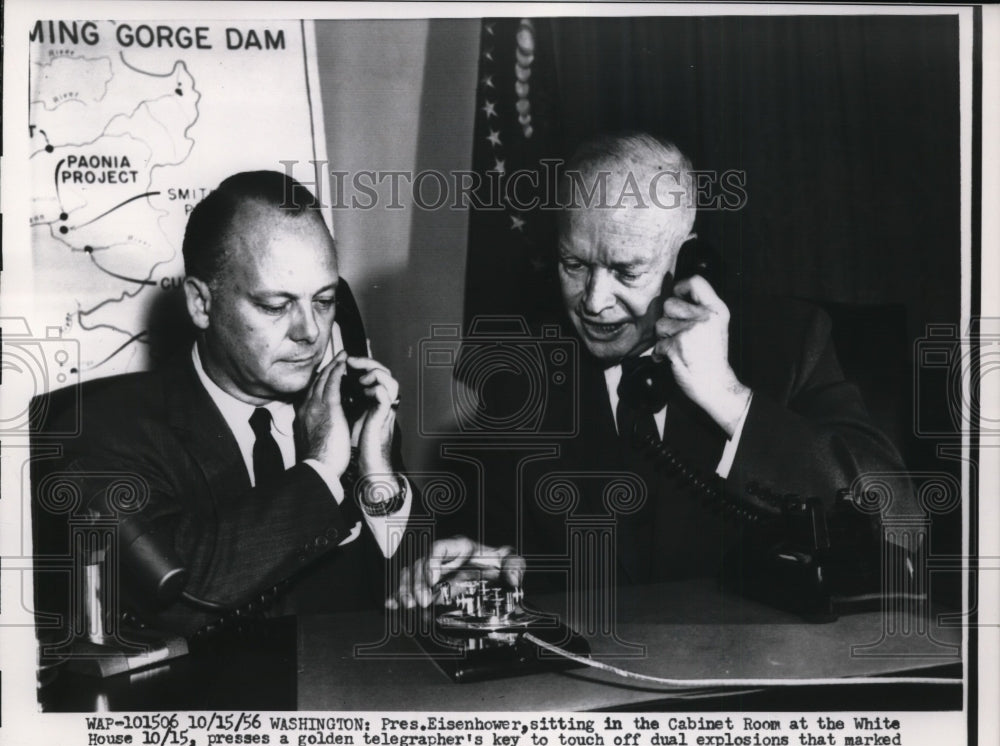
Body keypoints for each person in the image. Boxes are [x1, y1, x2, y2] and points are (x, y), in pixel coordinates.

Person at [396, 132, 909, 607]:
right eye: (574, 265)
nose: (594, 302)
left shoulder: (788, 343)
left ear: (688, 260)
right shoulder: (521, 382)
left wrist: (730, 400)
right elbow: (509, 562)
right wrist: (489, 570)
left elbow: (902, 518)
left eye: (626, 270)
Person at [35, 171, 413, 636]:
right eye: (276, 305)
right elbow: (181, 596)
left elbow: (390, 599)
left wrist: (377, 482)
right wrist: (319, 469)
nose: (310, 332)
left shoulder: (349, 412)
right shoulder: (104, 428)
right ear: (201, 303)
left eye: (325, 300)